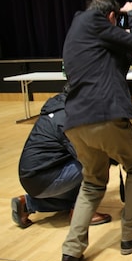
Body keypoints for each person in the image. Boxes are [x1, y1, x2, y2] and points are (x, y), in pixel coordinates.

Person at [59, 0, 132, 261]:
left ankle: (70, 253)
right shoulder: (92, 21)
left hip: (75, 121)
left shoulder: (80, 31)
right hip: (105, 115)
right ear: (111, 16)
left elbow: (121, 58)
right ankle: (129, 236)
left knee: (92, 182)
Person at [12, 90, 111, 229]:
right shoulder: (68, 118)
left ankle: (28, 204)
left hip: (34, 176)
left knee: (76, 193)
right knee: (97, 164)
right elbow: (86, 155)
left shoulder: (60, 108)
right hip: (43, 178)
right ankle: (79, 212)